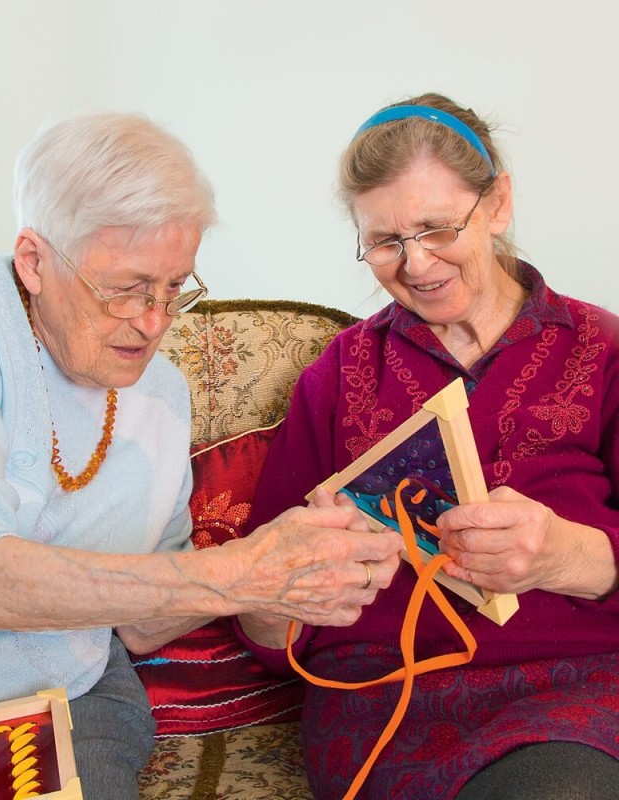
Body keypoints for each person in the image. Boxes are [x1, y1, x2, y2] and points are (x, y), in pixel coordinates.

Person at [0, 111, 403, 800]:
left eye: (174, 287)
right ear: (34, 261)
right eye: (125, 288)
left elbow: (141, 621)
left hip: (64, 697)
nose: (154, 322)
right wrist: (237, 573)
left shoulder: (162, 393)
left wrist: (278, 559)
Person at [236, 93, 619, 800]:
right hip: (389, 702)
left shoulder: (601, 351)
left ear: (498, 204)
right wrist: (292, 582)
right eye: (385, 242)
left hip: (577, 692)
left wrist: (568, 553)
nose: (416, 265)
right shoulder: (339, 375)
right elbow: (266, 632)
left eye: (437, 228)